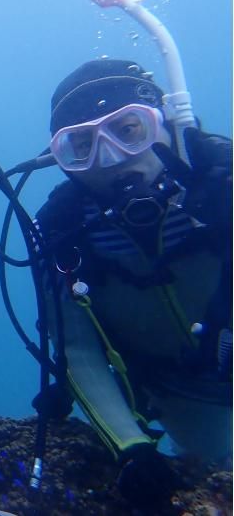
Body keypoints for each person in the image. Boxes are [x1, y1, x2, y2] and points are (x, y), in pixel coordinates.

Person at [34, 59, 232, 510]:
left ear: (166, 123)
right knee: (213, 463)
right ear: (63, 162)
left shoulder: (223, 184)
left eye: (129, 130)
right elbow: (79, 351)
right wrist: (132, 449)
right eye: (81, 146)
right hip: (177, 391)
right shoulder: (64, 234)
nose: (112, 157)